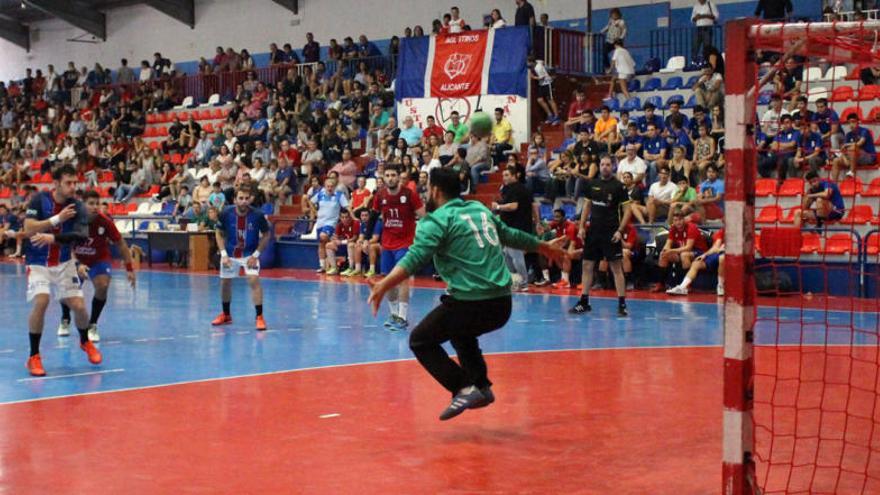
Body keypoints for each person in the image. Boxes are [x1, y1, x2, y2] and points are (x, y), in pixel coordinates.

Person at [366, 167, 566, 421]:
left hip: (473, 303)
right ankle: (480, 385)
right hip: (502, 304)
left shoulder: (437, 220)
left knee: (420, 340)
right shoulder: (480, 209)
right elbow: (508, 235)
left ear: (436, 191)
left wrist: (384, 285)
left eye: (428, 188)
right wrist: (542, 246)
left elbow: (415, 258)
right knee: (461, 331)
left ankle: (463, 387)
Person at [22, 165, 102, 376]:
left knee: (79, 306)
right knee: (42, 301)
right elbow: (29, 228)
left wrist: (53, 238)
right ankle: (33, 356)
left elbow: (81, 236)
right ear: (56, 183)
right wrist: (57, 220)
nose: (73, 187)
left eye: (75, 182)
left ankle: (85, 342)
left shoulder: (77, 206)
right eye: (68, 183)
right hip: (38, 262)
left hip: (64, 262)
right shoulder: (40, 200)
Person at [58, 190, 136, 342]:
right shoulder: (73, 220)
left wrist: (130, 269)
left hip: (98, 259)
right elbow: (65, 246)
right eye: (91, 204)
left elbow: (121, 244)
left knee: (103, 285)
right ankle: (65, 318)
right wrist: (78, 264)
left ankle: (92, 324)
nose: (95, 207)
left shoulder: (105, 221)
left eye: (97, 204)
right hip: (76, 258)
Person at [570, 155, 633, 317]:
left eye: (607, 164)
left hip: (611, 232)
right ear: (599, 166)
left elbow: (628, 211)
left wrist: (620, 230)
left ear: (613, 166)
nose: (605, 167)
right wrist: (582, 227)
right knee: (587, 265)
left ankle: (622, 304)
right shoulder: (593, 184)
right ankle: (584, 302)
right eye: (602, 164)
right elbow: (587, 206)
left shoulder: (619, 187)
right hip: (593, 232)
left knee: (616, 268)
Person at [371, 165, 425, 330]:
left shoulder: (410, 194)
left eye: (393, 175)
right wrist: (367, 238)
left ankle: (402, 317)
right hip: (387, 244)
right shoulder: (380, 196)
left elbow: (424, 216)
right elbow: (374, 217)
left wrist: (424, 237)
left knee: (402, 279)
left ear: (399, 177)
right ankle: (394, 314)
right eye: (387, 175)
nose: (390, 178)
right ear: (383, 177)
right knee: (389, 281)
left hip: (406, 243)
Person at [210, 185, 271, 331]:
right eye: (241, 198)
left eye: (246, 198)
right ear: (235, 199)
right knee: (225, 283)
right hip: (230, 255)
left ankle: (259, 317)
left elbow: (266, 234)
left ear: (250, 199)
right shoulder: (226, 213)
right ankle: (226, 314)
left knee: (253, 280)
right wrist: (223, 254)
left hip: (249, 254)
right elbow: (218, 232)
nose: (244, 201)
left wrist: (256, 255)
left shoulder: (257, 215)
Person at [492, 166, 535, 292]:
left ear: (515, 175)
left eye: (507, 175)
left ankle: (523, 282)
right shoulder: (515, 189)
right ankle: (512, 281)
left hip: (515, 228)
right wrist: (537, 223)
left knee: (516, 256)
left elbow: (513, 206)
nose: (504, 178)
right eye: (503, 175)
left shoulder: (516, 190)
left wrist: (498, 207)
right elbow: (534, 207)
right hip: (510, 228)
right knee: (507, 256)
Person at [655, 211, 709, 291]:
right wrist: (665, 250)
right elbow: (668, 243)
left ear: (684, 220)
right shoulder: (673, 228)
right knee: (664, 255)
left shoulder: (691, 228)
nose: (678, 222)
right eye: (675, 220)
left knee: (684, 255)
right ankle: (661, 284)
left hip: (699, 252)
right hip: (683, 251)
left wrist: (671, 251)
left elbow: (688, 247)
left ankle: (686, 285)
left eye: (680, 220)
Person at [667, 227, 725, 296]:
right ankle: (683, 287)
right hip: (718, 254)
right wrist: (704, 255)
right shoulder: (722, 231)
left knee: (722, 258)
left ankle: (721, 286)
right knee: (696, 263)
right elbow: (715, 247)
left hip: (732, 255)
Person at [312, 175, 350, 274]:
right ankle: (323, 266)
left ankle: (332, 262)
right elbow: (310, 201)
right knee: (321, 244)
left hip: (331, 223)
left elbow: (347, 207)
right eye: (327, 186)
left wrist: (353, 217)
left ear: (334, 187)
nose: (329, 188)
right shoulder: (320, 194)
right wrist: (314, 212)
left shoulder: (339, 195)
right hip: (320, 222)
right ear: (325, 186)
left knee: (323, 236)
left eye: (331, 186)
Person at [832, 113, 877, 182]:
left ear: (858, 122)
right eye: (849, 122)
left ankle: (851, 171)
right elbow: (843, 150)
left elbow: (859, 143)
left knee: (853, 148)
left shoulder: (864, 131)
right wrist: (844, 158)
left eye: (853, 122)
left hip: (868, 157)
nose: (851, 124)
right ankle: (833, 184)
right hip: (853, 158)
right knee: (836, 161)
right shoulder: (848, 135)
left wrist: (847, 145)